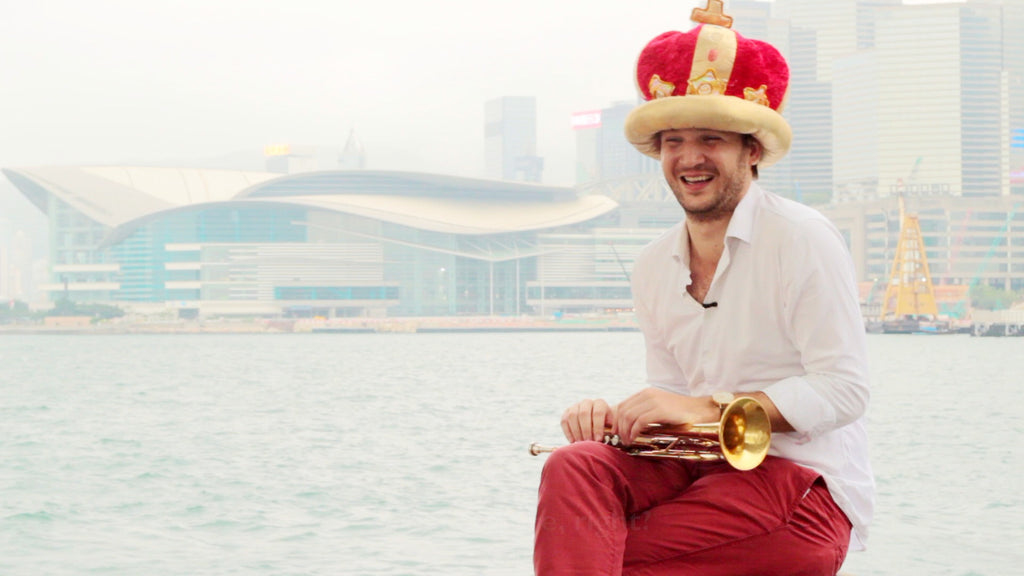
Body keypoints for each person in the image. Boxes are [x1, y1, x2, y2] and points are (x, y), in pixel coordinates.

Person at [533, 3, 874, 575]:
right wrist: (616, 419)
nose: (689, 158)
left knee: (600, 553)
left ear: (752, 150)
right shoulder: (652, 264)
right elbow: (673, 397)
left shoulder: (801, 237)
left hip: (799, 487)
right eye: (674, 141)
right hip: (699, 467)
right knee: (575, 465)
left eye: (711, 139)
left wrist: (708, 408)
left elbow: (843, 390)